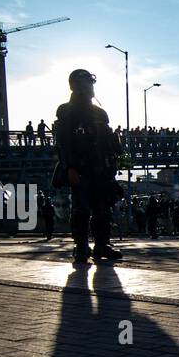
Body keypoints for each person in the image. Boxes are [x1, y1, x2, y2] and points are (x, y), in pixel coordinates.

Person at [54, 69, 123, 264]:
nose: (91, 88)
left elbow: (109, 141)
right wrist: (69, 168)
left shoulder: (99, 113)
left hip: (101, 169)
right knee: (81, 209)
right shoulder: (67, 111)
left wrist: (112, 163)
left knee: (103, 209)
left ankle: (101, 244)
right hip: (81, 168)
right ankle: (81, 246)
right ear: (78, 85)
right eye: (88, 84)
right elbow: (63, 143)